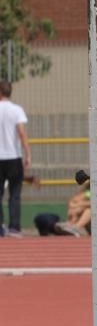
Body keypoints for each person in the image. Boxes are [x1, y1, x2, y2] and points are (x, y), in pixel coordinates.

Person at [0, 80, 31, 237]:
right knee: (15, 194)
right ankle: (14, 227)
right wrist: (28, 154)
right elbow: (21, 133)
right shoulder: (16, 110)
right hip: (13, 157)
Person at [52, 173, 97, 237]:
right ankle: (70, 224)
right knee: (80, 209)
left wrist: (79, 205)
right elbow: (73, 201)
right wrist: (76, 207)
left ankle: (76, 228)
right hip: (94, 226)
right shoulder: (92, 191)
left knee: (90, 210)